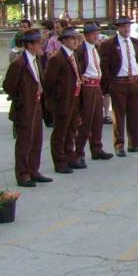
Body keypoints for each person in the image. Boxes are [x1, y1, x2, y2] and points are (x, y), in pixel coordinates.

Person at [3, 29, 50, 187]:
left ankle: (33, 170)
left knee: (36, 139)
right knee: (24, 142)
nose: (41, 45)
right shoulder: (19, 63)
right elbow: (8, 86)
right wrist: (22, 98)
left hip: (36, 105)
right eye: (38, 43)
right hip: (25, 107)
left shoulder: (35, 60)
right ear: (29, 45)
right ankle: (23, 174)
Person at [99, 16, 138, 156]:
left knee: (135, 114)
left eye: (128, 26)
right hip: (119, 83)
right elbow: (105, 65)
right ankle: (119, 145)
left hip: (134, 82)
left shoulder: (135, 42)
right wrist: (110, 84)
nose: (126, 29)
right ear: (118, 28)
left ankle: (134, 143)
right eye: (123, 26)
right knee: (119, 116)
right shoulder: (109, 44)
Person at [43, 26, 84, 174]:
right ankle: (59, 161)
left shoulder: (73, 55)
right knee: (60, 132)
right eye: (73, 39)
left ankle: (69, 156)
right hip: (63, 101)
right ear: (65, 40)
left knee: (72, 130)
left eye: (76, 39)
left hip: (74, 98)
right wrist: (53, 102)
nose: (76, 41)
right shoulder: (57, 58)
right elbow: (49, 83)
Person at [76, 23, 112, 162]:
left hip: (97, 86)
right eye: (93, 34)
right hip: (87, 87)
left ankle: (96, 148)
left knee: (98, 119)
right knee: (86, 121)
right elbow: (77, 68)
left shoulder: (96, 48)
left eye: (97, 33)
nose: (96, 36)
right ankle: (79, 152)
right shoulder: (81, 50)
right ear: (86, 35)